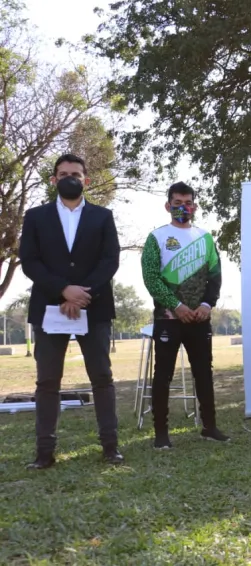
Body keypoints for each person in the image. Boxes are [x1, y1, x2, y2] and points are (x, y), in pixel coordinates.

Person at [18, 153, 123, 469]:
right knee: (48, 381)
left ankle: (110, 448)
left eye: (75, 174)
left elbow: (110, 260)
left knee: (102, 377)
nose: (69, 178)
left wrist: (82, 294)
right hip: (50, 307)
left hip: (95, 306)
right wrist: (63, 290)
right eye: (63, 174)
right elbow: (30, 260)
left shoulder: (103, 216)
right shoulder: (35, 216)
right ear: (54, 180)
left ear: (85, 180)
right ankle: (45, 453)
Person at [141, 182, 229, 449]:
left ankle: (210, 427)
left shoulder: (205, 238)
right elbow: (151, 278)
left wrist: (207, 305)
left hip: (200, 319)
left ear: (195, 206)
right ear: (168, 205)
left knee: (204, 373)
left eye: (188, 203)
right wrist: (176, 305)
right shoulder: (156, 237)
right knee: (163, 375)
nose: (183, 208)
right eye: (177, 203)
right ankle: (161, 433)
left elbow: (215, 276)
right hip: (168, 319)